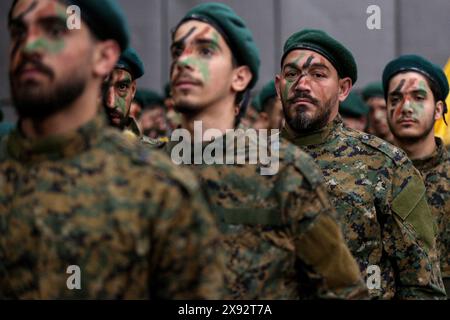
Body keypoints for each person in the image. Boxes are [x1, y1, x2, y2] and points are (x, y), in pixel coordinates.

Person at [0, 0, 225, 299]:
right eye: (18, 32)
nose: (29, 46)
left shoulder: (159, 190)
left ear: (103, 57)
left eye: (55, 31)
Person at [165, 2, 367, 299]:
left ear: (240, 77)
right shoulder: (145, 168)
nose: (183, 61)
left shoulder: (282, 171)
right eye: (177, 51)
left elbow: (342, 290)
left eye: (205, 50)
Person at [277, 29, 445, 299]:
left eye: (318, 75)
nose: (302, 85)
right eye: (292, 74)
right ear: (278, 85)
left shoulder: (385, 165)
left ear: (343, 89)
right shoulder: (248, 162)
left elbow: (422, 285)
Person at [383, 54, 449, 295]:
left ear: (438, 109)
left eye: (418, 97)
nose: (406, 107)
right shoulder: (367, 174)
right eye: (396, 98)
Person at [104, 46, 144, 137]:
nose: (111, 103)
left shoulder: (150, 150)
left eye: (122, 87)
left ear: (133, 90)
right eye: (103, 87)